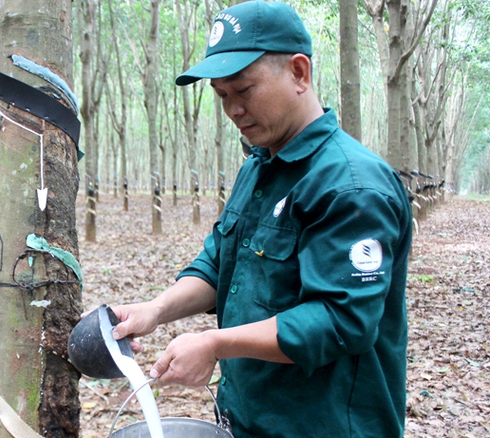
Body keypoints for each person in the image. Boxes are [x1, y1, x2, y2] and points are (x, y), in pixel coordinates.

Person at [108, 1, 413, 437]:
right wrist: (156, 310)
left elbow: (341, 320)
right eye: (221, 95)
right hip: (250, 419)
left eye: (244, 90)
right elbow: (220, 264)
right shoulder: (260, 166)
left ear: (299, 73)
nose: (233, 109)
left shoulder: (351, 186)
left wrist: (215, 344)